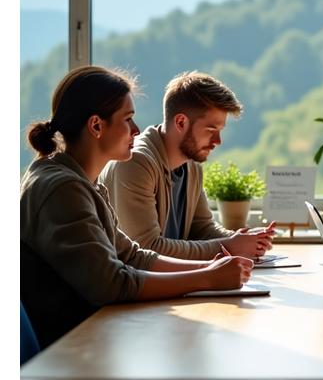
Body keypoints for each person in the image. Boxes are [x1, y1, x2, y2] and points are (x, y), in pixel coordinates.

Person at [21, 66, 254, 349]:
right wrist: (205, 277)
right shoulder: (63, 189)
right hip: (71, 350)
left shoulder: (84, 183)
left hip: (95, 335)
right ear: (96, 126)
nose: (137, 129)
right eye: (128, 119)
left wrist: (211, 267)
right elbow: (111, 284)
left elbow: (132, 255)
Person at [99, 71, 275, 261]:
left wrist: (244, 240)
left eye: (220, 131)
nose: (218, 141)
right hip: (130, 287)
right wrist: (230, 246)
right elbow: (147, 249)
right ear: (181, 122)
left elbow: (202, 228)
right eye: (211, 130)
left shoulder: (191, 164)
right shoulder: (135, 162)